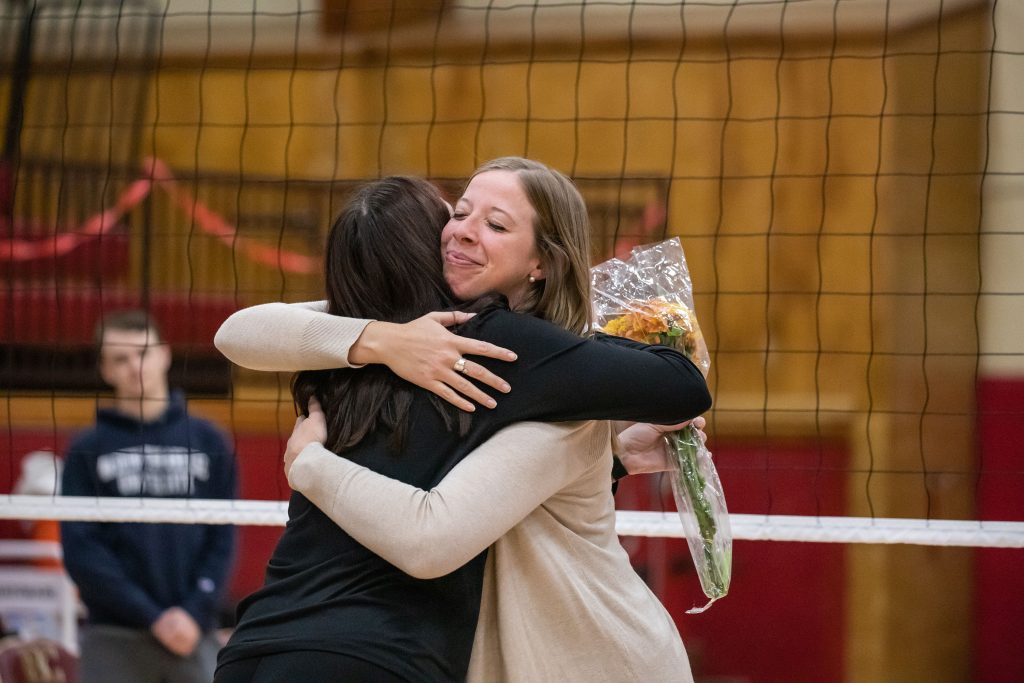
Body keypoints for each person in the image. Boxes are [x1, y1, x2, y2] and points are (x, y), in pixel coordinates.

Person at [213, 159, 711, 682]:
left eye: (495, 225)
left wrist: (604, 458)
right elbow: (682, 385)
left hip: (259, 644)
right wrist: (382, 339)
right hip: (383, 654)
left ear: (541, 261)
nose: (465, 232)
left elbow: (242, 332)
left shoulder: (332, 361)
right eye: (460, 214)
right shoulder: (402, 342)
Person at [60, 309, 238, 683]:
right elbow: (81, 548)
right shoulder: (87, 448)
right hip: (114, 635)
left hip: (193, 632)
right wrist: (151, 616)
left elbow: (223, 537)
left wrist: (193, 611)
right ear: (105, 370)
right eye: (120, 359)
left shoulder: (209, 440)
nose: (134, 367)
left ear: (164, 354)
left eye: (143, 353)